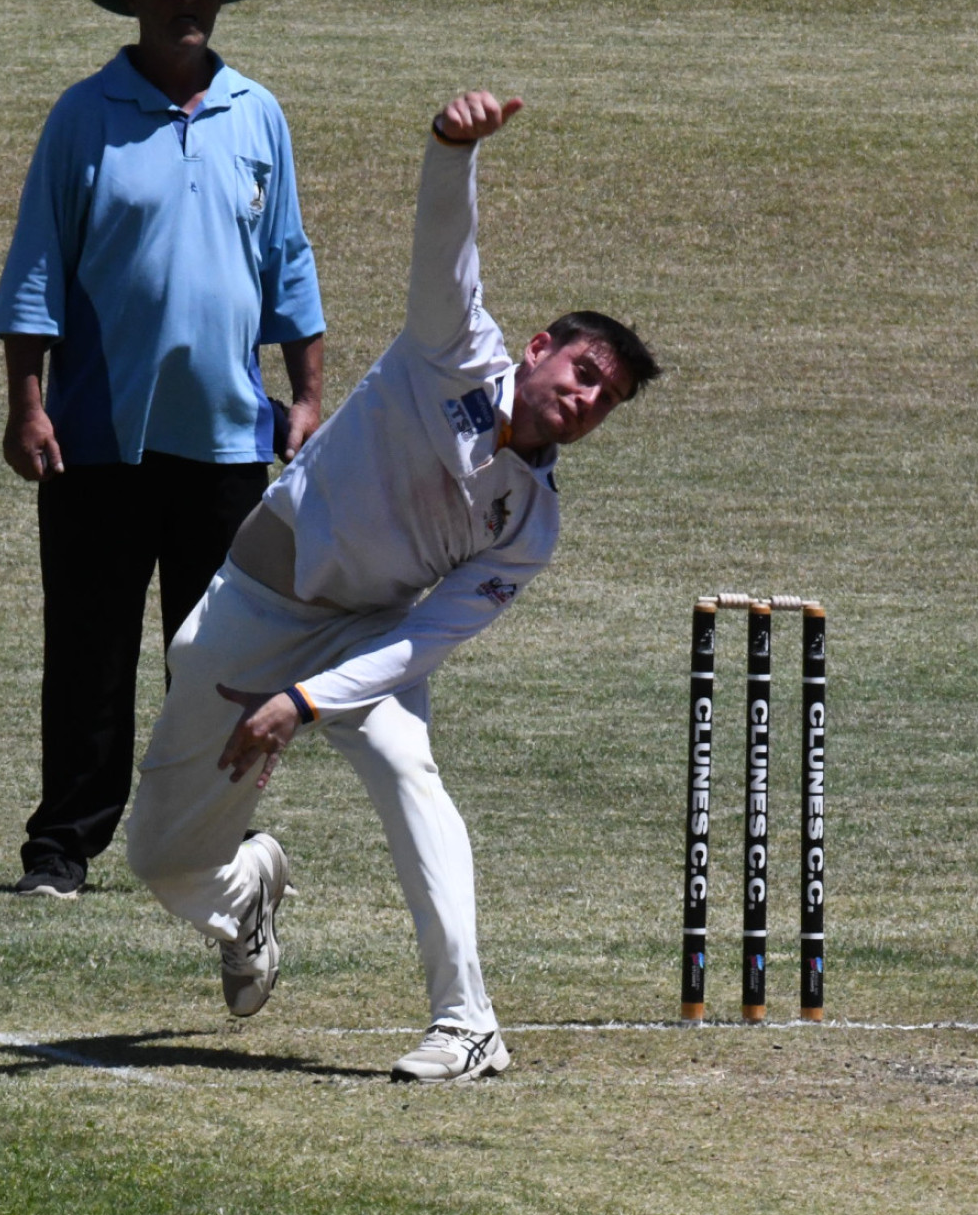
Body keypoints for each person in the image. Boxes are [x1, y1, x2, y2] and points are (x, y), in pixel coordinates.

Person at [121, 90, 661, 1083]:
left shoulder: (528, 528)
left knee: (407, 771)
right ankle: (247, 892)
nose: (583, 402)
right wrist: (451, 147)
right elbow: (443, 242)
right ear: (537, 348)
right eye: (581, 372)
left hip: (365, 637)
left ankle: (468, 1025)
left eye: (604, 401)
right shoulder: (449, 351)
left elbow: (427, 641)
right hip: (250, 609)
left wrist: (308, 702)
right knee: (160, 861)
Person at [0, 0, 326, 901]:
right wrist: (26, 404)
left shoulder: (257, 114)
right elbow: (36, 269)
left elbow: (288, 264)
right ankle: (61, 849)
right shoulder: (83, 115)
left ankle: (211, 839)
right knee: (88, 651)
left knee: (217, 655)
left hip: (226, 437)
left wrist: (305, 396)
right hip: (97, 434)